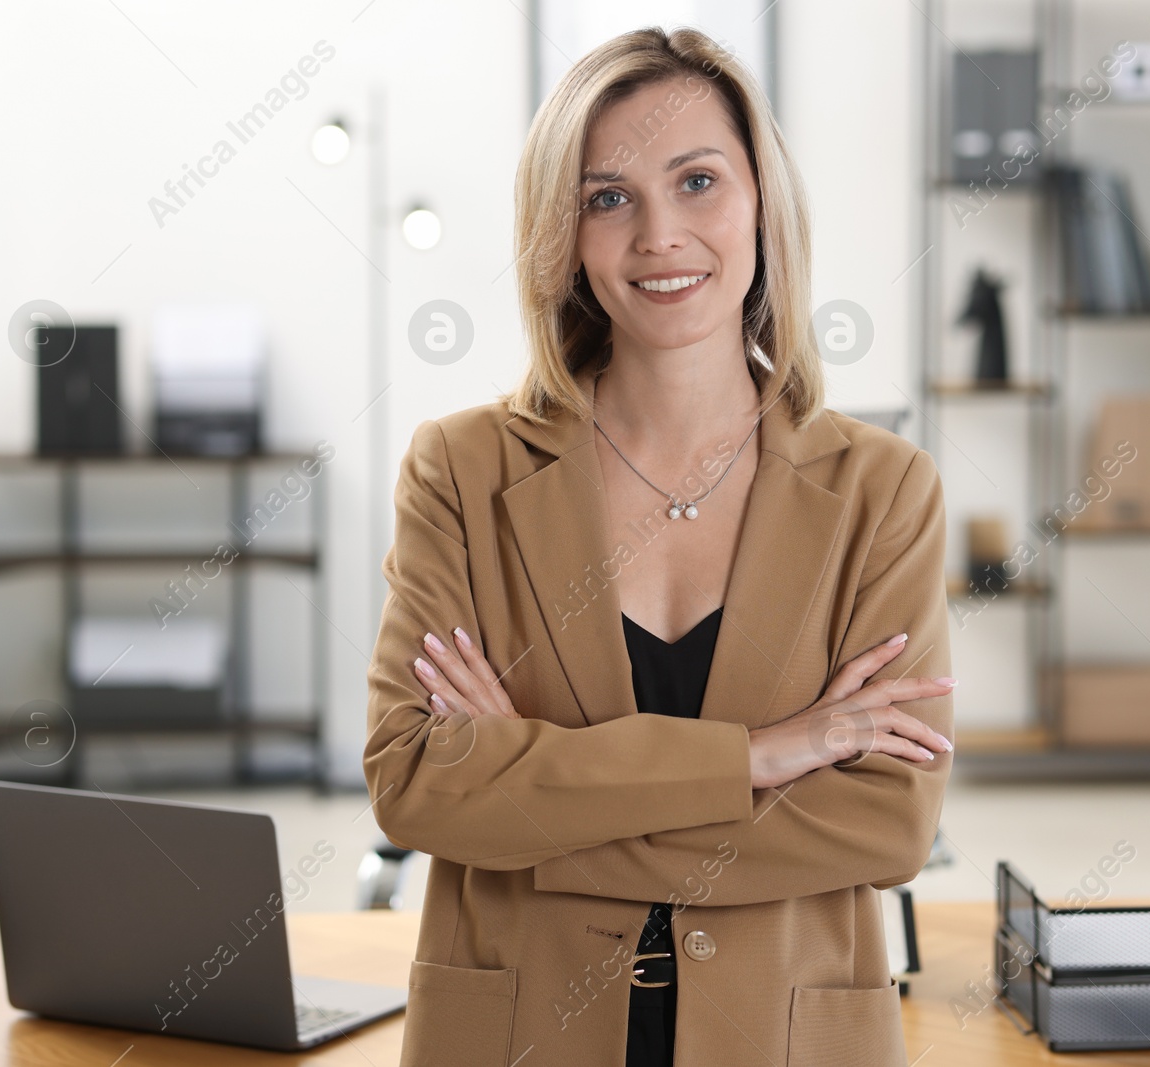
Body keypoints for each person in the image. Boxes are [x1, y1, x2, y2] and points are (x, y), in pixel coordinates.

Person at [363, 25, 955, 1067]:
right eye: (606, 197)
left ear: (762, 204)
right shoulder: (459, 469)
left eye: (696, 181)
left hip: (783, 1035)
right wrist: (763, 757)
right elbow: (417, 781)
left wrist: (532, 798)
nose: (657, 235)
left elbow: (883, 824)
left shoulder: (882, 491)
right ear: (564, 234)